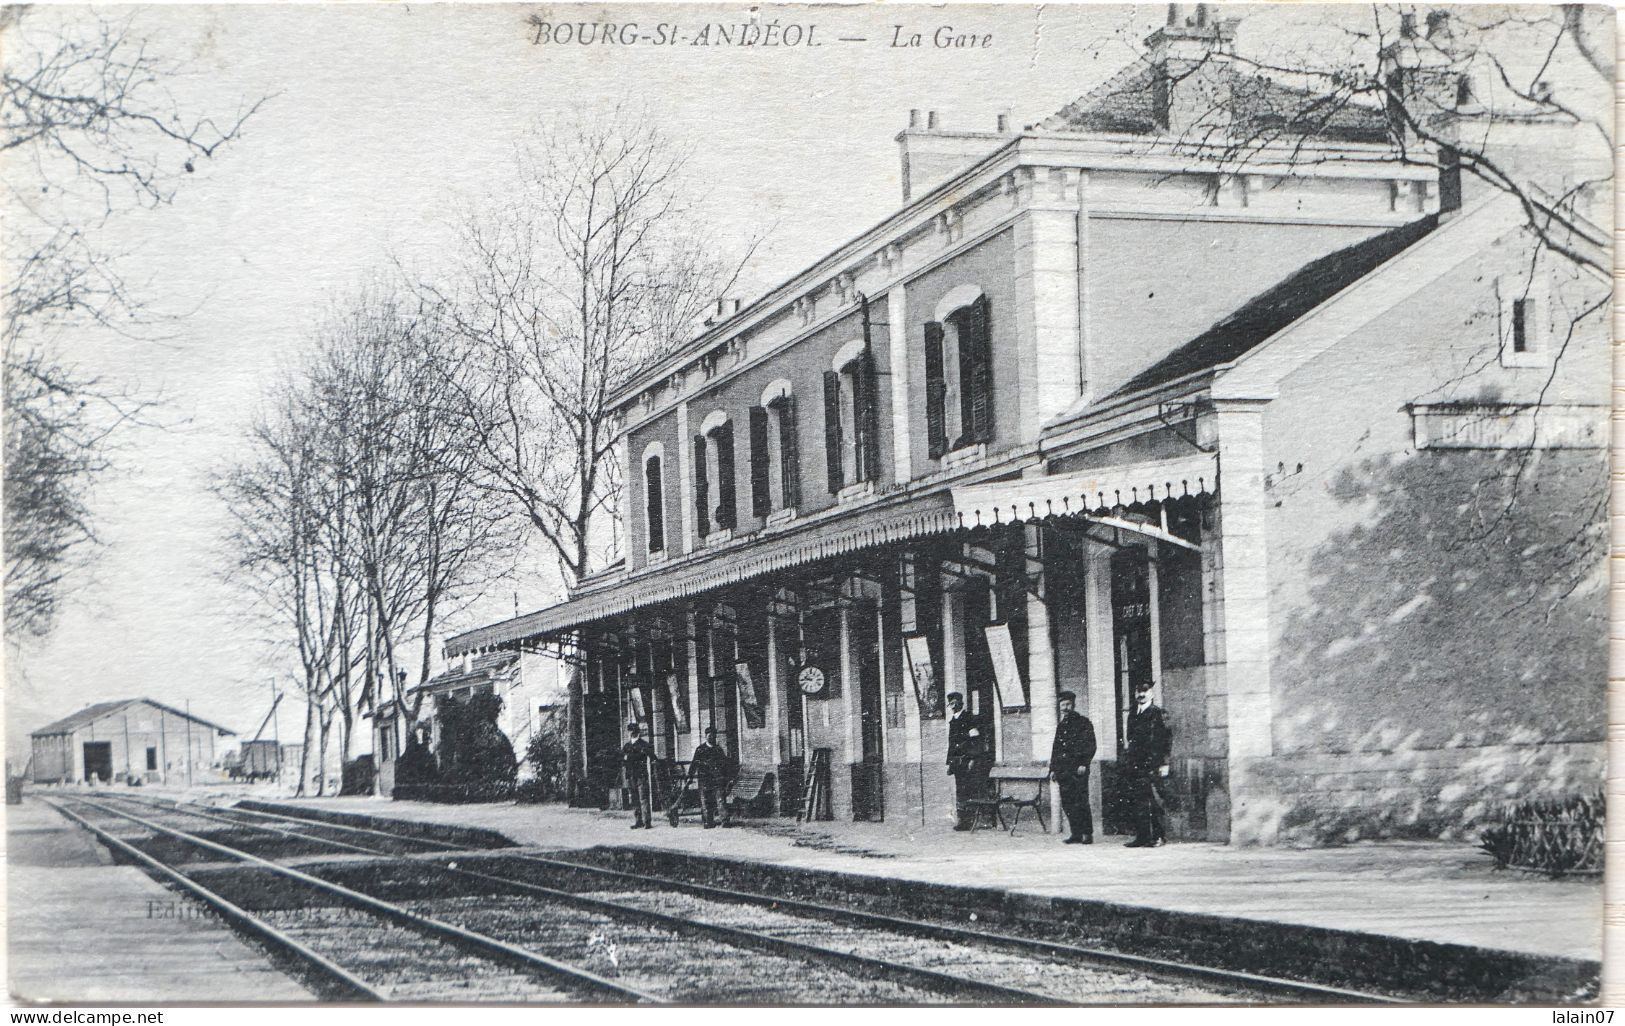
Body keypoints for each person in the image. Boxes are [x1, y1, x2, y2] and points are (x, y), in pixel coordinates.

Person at [1121, 681, 1172, 848]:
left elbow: (1166, 740)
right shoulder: (1133, 714)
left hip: (1153, 764)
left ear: (1151, 692)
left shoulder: (1158, 713)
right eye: (1138, 691)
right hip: (1136, 764)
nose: (1141, 694)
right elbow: (1130, 738)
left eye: (1145, 691)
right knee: (1138, 800)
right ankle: (1142, 836)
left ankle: (1159, 836)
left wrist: (1164, 763)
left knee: (1154, 800)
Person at [1049, 690, 1097, 844]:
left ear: (1073, 705)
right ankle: (1075, 833)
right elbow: (1055, 749)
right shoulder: (1061, 725)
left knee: (1081, 801)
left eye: (1068, 704)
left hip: (1078, 770)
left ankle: (1087, 834)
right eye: (1062, 705)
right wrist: (1053, 769)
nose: (1065, 708)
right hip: (1064, 771)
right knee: (1068, 802)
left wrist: (1084, 763)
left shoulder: (1083, 723)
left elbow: (1091, 745)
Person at [945, 692, 990, 831]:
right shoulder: (953, 721)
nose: (953, 707)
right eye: (951, 704)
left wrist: (973, 759)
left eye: (955, 703)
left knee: (969, 790)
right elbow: (952, 744)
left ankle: (971, 820)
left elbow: (975, 740)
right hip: (957, 763)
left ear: (961, 704)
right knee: (960, 791)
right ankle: (962, 821)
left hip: (968, 761)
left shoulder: (969, 719)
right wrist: (950, 763)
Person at [690, 727, 738, 829]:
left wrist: (727, 777)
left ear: (715, 736)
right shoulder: (700, 749)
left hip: (717, 779)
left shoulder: (718, 749)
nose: (711, 737)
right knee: (706, 801)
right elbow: (694, 764)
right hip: (704, 779)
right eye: (709, 735)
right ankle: (708, 821)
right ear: (705, 736)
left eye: (713, 735)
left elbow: (724, 764)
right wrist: (690, 776)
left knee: (720, 799)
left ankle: (724, 820)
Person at [620, 722, 656, 829]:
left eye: (633, 730)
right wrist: (627, 759)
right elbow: (622, 760)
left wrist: (629, 758)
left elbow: (653, 757)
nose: (631, 733)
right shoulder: (626, 746)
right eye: (630, 730)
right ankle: (638, 821)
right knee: (635, 799)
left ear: (637, 732)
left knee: (643, 798)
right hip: (631, 776)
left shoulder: (644, 745)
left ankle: (647, 821)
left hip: (641, 775)